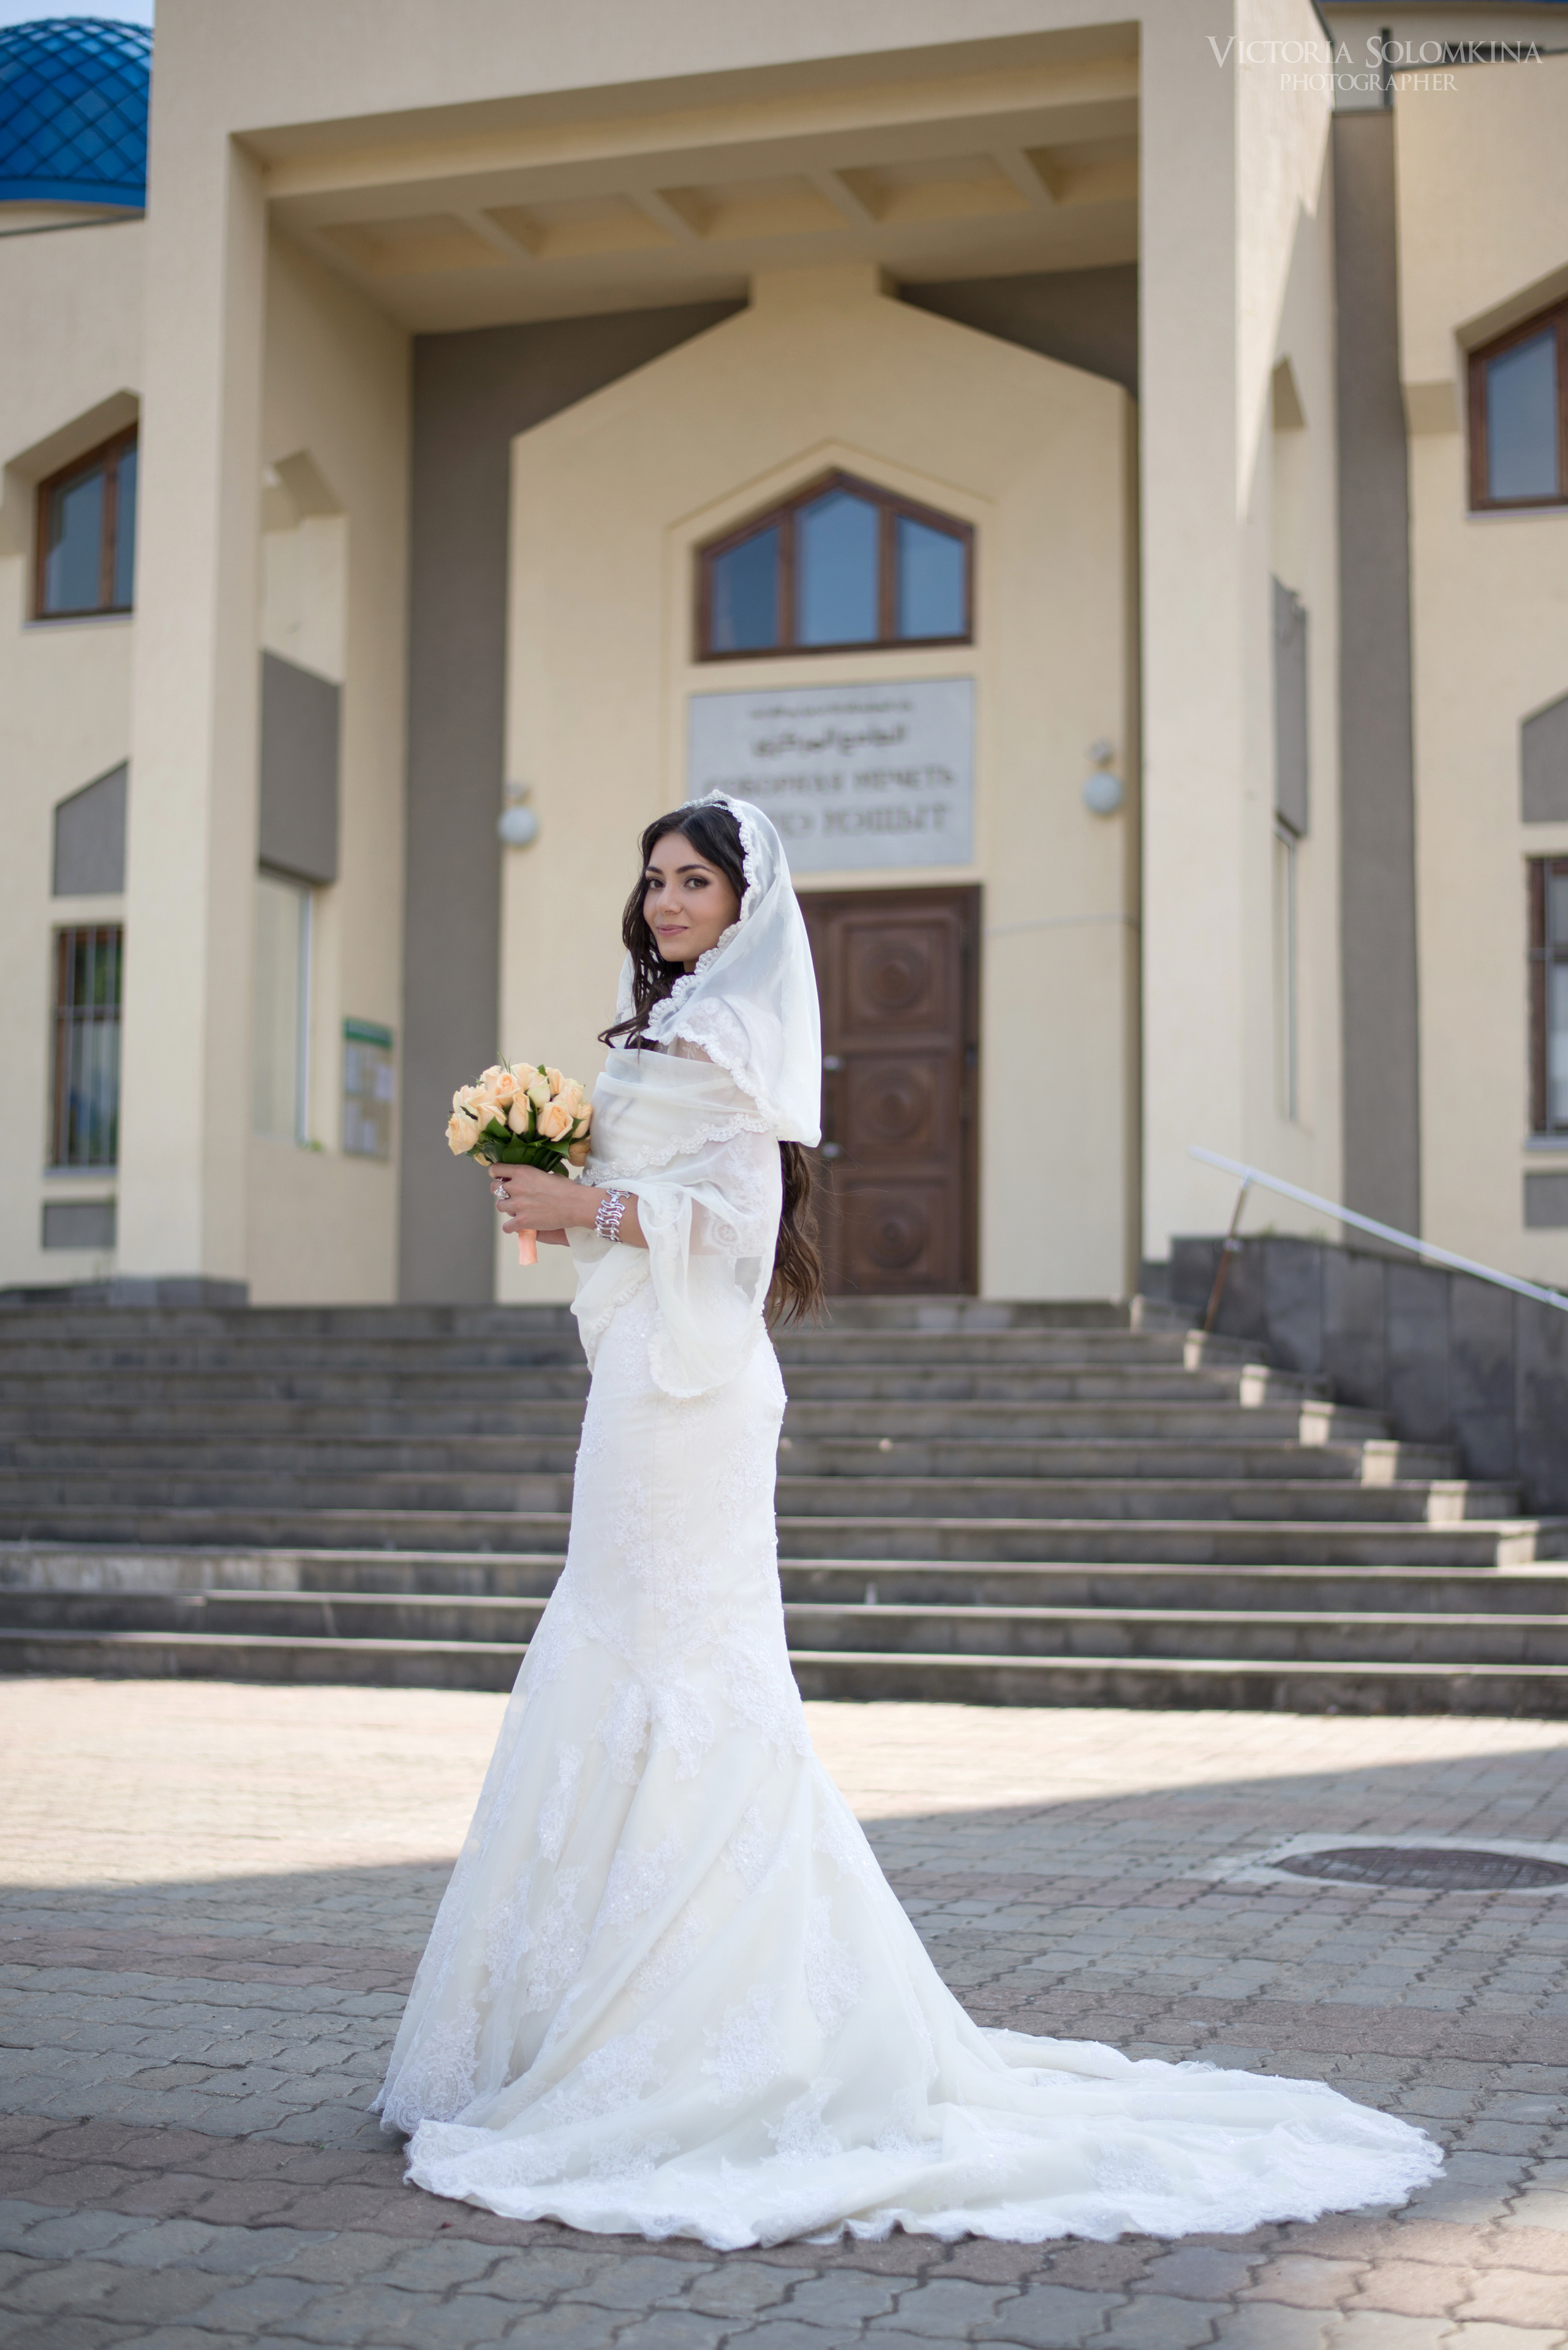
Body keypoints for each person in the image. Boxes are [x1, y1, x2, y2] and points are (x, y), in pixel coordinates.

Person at [375, 792, 1441, 2248]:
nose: (666, 899)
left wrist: (592, 1204)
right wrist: (560, 1201)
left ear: (748, 902)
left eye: (693, 879)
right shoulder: (662, 1024)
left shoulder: (736, 1036)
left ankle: (712, 2023)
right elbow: (642, 1197)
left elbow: (737, 1235)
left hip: (692, 1395)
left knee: (689, 1668)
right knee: (611, 1642)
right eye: (654, 879)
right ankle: (573, 2002)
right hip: (637, 1375)